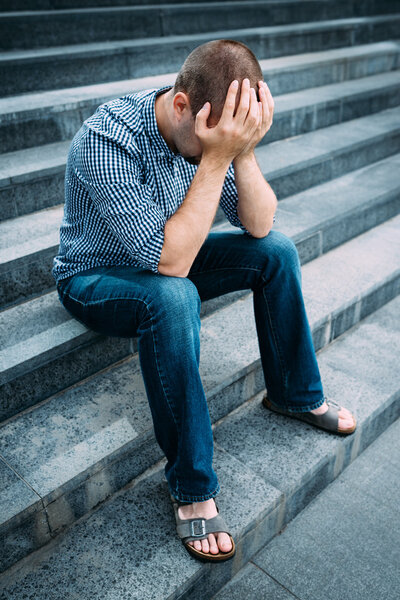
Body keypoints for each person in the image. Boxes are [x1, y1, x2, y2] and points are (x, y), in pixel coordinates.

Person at [53, 39, 356, 563]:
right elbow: (168, 264)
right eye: (214, 137)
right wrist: (218, 155)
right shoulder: (107, 138)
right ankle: (192, 487)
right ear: (180, 106)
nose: (221, 144)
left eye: (234, 135)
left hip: (170, 252)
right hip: (94, 276)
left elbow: (259, 224)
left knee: (276, 252)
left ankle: (293, 393)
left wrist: (243, 149)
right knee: (172, 296)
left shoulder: (217, 130)